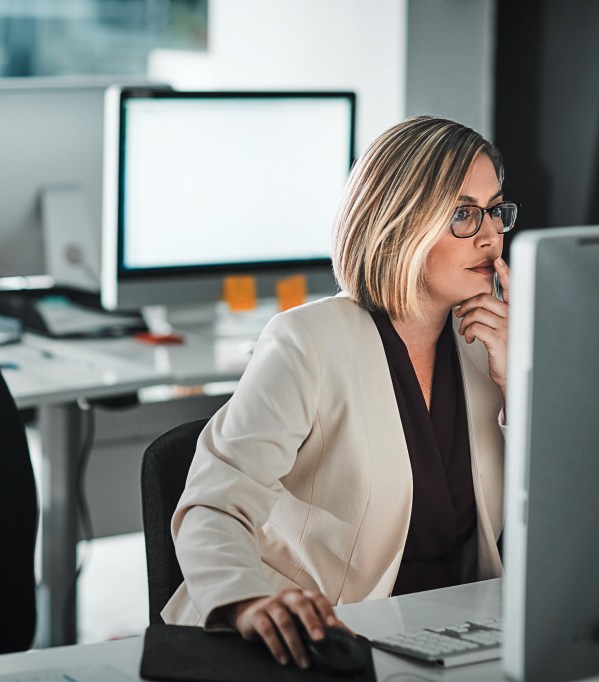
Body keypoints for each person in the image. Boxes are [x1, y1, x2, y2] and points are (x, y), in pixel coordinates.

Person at [161, 116, 515, 670]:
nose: (491, 235)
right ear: (401, 223)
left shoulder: (486, 350)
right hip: (310, 640)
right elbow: (213, 503)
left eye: (495, 209)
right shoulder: (309, 342)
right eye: (463, 215)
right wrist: (248, 601)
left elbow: (553, 517)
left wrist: (518, 388)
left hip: (447, 640)